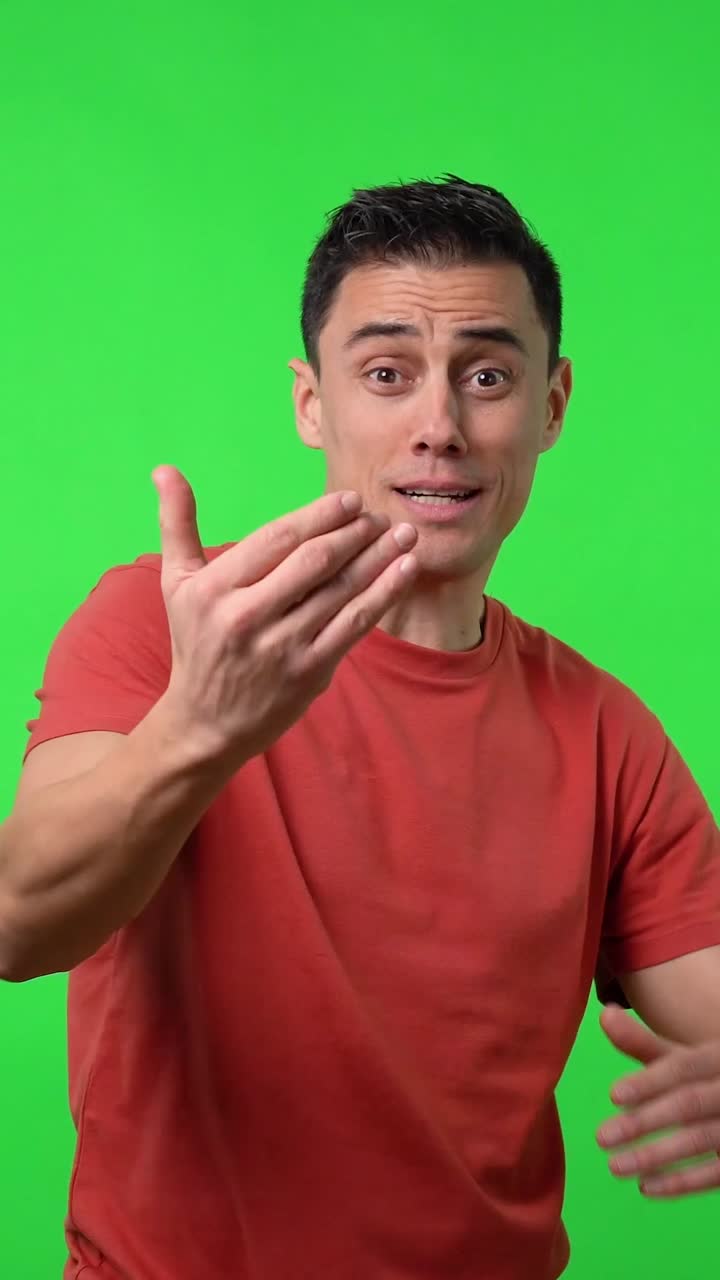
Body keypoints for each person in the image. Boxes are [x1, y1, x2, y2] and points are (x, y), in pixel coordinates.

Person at [1, 174, 719, 1280]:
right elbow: (17, 920)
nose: (438, 426)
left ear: (552, 403)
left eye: (487, 376)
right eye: (387, 373)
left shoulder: (607, 732)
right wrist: (201, 724)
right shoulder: (161, 626)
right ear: (312, 402)